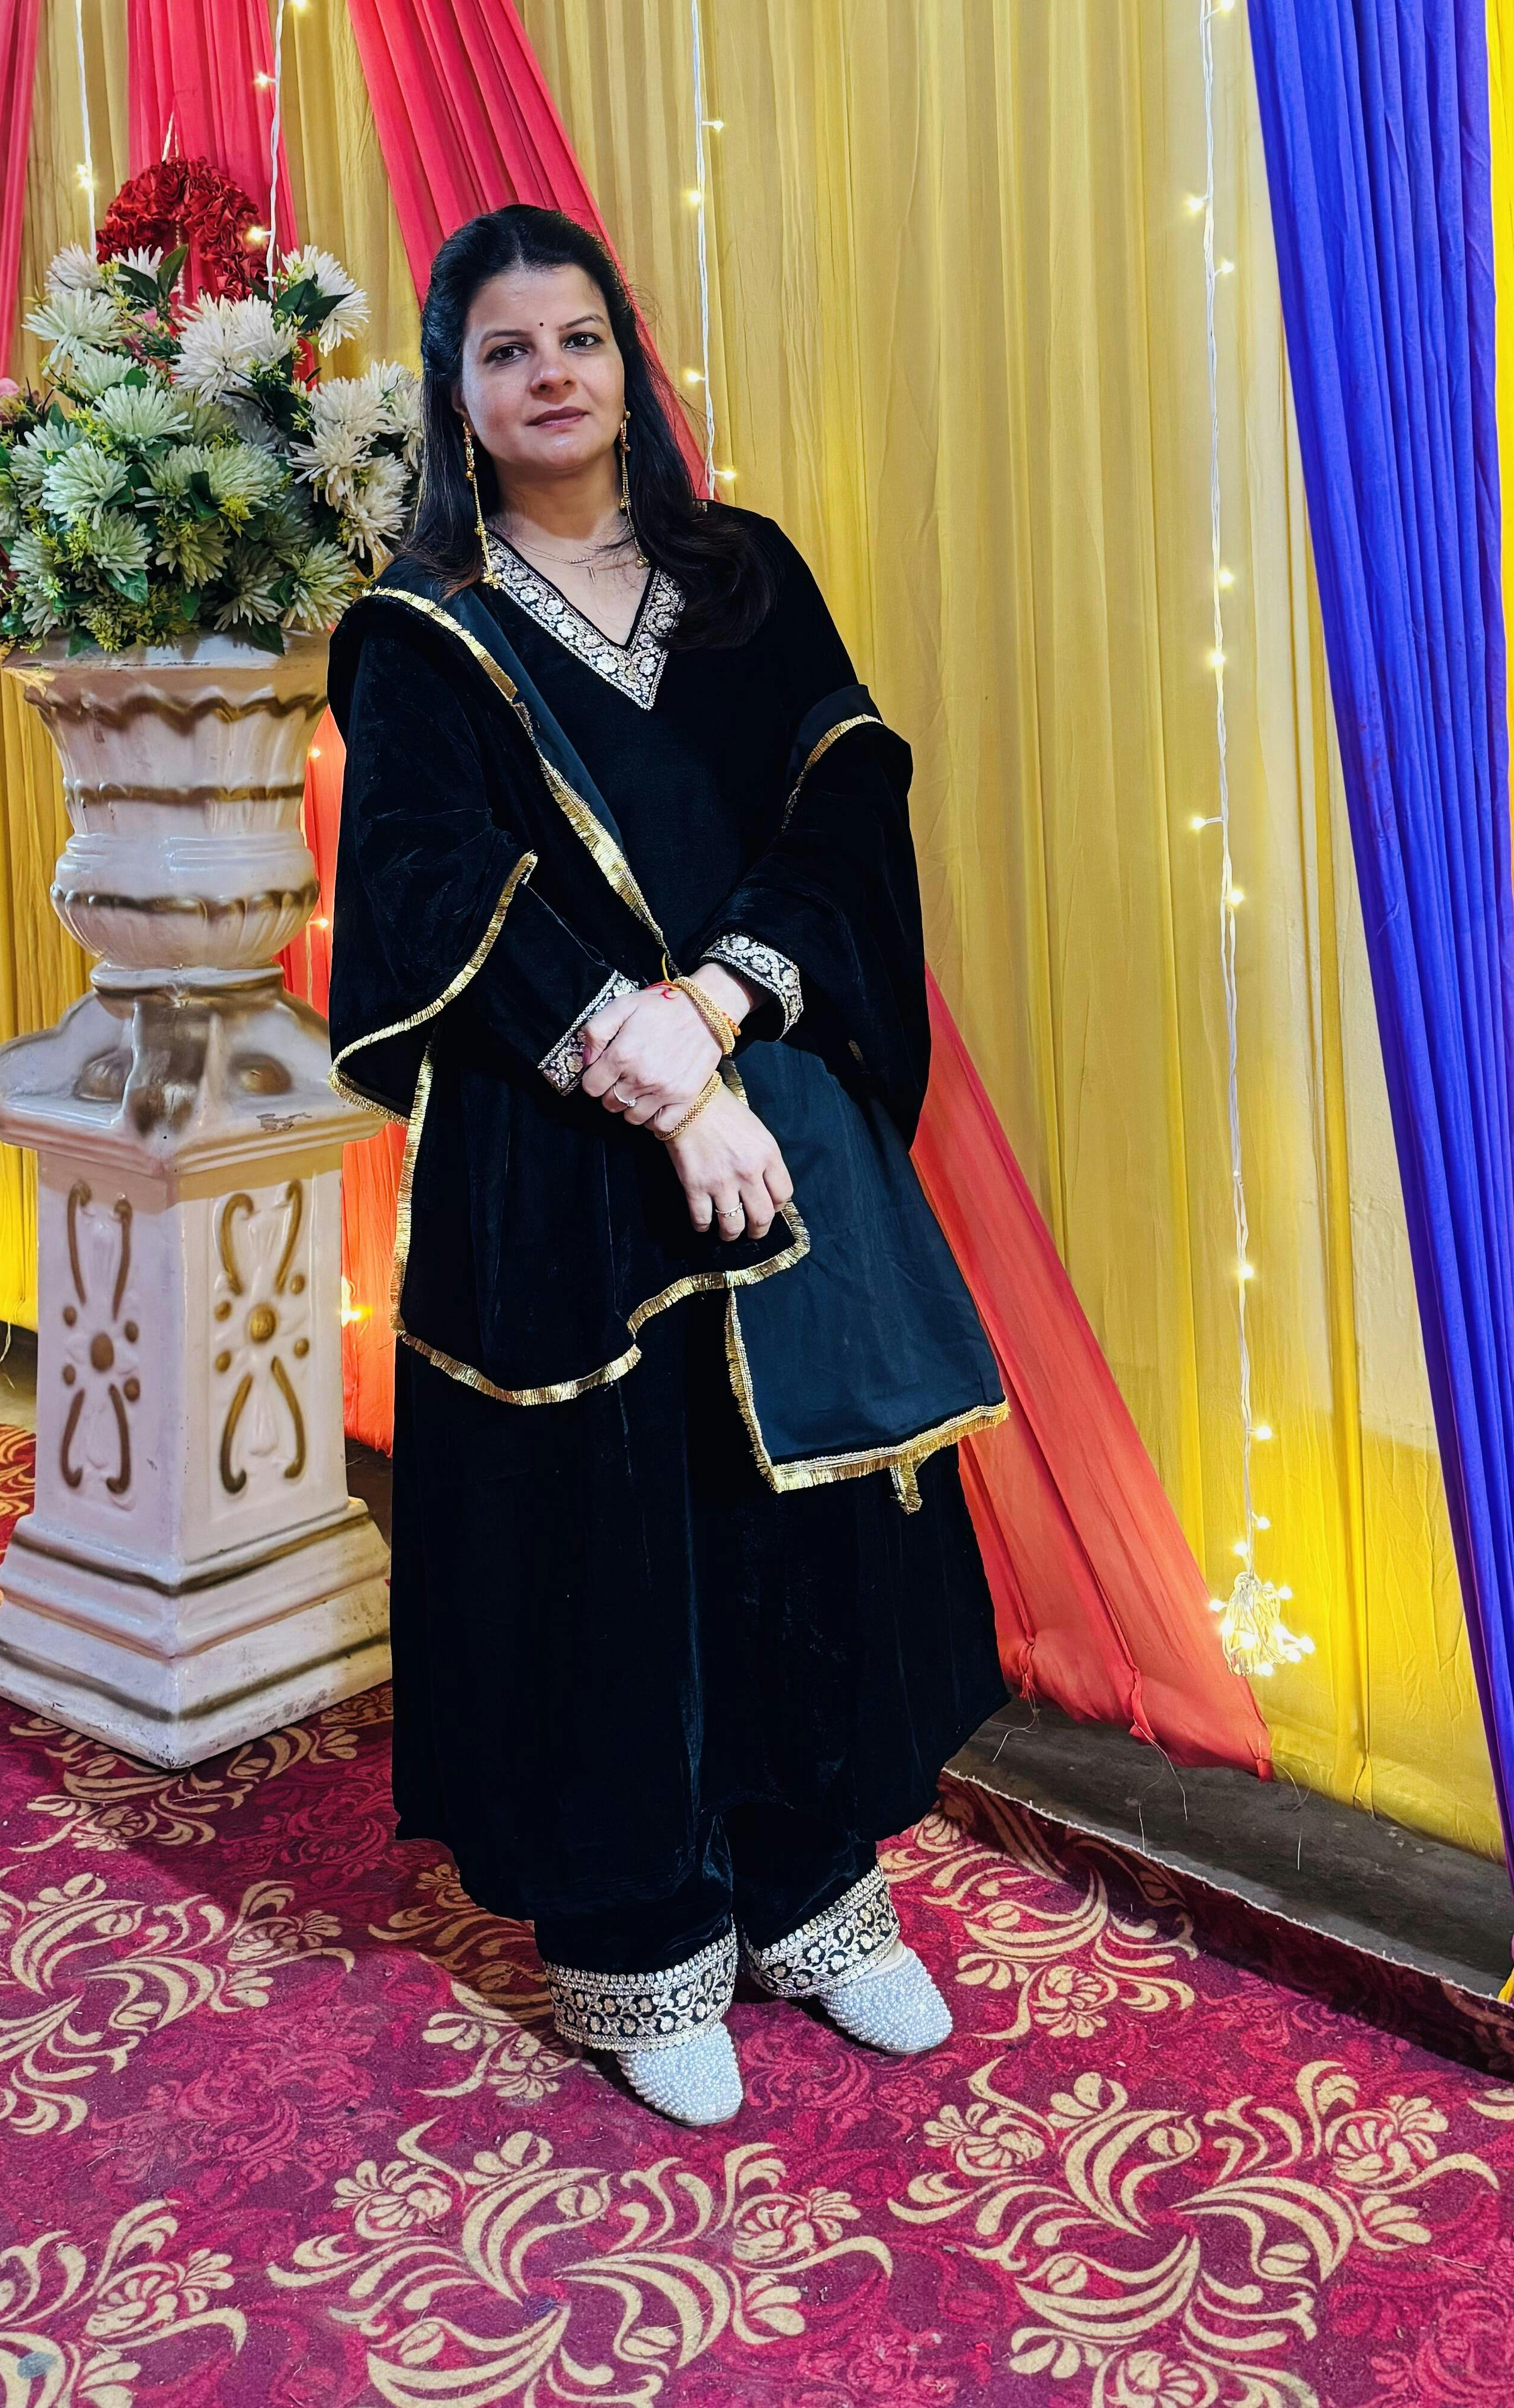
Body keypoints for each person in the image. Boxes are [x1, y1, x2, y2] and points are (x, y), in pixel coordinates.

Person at [327, 205, 1008, 2126]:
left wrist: (715, 1007)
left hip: (766, 1105)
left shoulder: (741, 577)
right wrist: (638, 1065)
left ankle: (813, 1893)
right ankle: (637, 1940)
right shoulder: (419, 632)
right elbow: (429, 885)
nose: (550, 374)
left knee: (793, 1507)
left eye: (578, 339)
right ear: (458, 396)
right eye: (505, 350)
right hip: (553, 1155)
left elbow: (844, 799)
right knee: (604, 1535)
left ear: (628, 366)